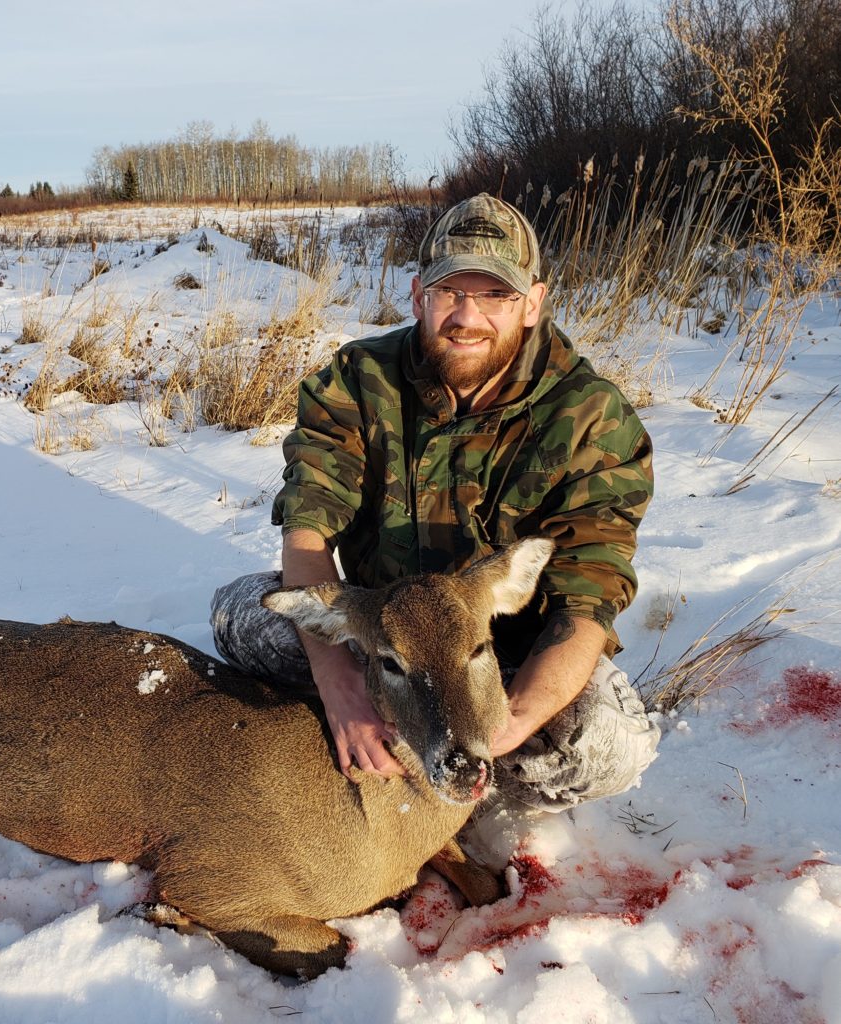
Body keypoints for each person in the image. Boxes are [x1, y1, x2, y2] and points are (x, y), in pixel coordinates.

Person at [212, 193, 659, 813]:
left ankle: (454, 784)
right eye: (451, 291)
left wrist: (512, 721)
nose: (467, 316)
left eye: (495, 295)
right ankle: (367, 729)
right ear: (420, 295)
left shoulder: (589, 416)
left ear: (532, 302)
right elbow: (308, 525)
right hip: (378, 630)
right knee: (237, 617)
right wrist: (338, 681)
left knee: (607, 747)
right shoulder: (358, 379)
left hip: (499, 654)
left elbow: (590, 590)